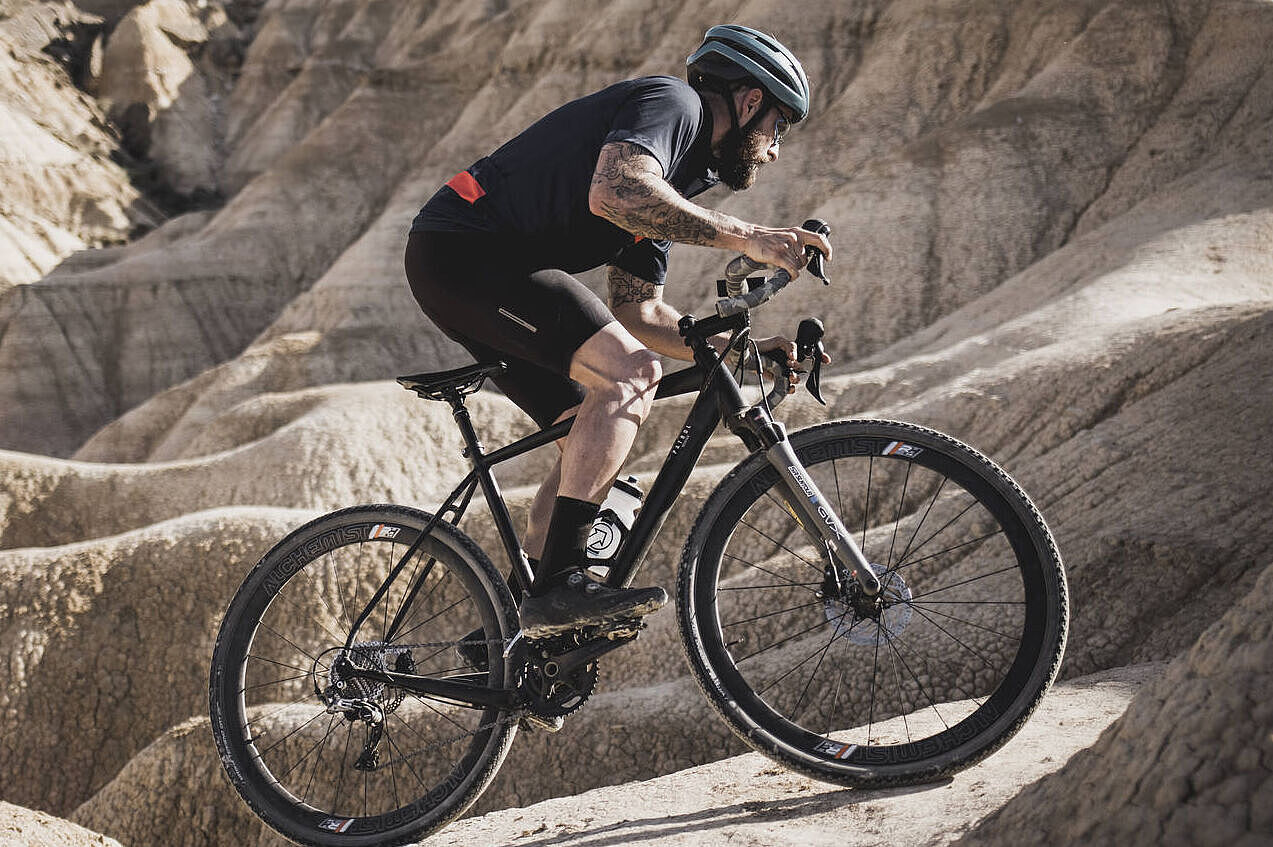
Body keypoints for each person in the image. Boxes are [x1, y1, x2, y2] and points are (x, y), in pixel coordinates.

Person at [405, 25, 832, 639]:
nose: (774, 148)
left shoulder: (674, 182)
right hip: (465, 253)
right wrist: (750, 237)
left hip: (479, 268)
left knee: (589, 441)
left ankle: (513, 638)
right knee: (630, 373)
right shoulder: (673, 106)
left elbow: (639, 312)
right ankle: (559, 589)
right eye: (777, 126)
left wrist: (733, 351)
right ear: (747, 102)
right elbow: (615, 192)